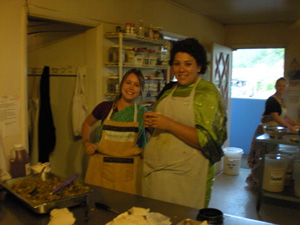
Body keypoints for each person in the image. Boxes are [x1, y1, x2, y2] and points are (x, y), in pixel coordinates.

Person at [142, 38, 227, 209]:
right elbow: (157, 133)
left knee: (185, 217)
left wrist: (169, 124)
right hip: (157, 171)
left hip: (188, 174)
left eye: (188, 64)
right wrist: (151, 123)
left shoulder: (207, 93)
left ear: (199, 66)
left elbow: (207, 142)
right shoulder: (168, 90)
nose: (181, 69)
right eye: (177, 63)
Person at [82, 69, 146, 194]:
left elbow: (146, 142)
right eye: (128, 83)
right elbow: (87, 123)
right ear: (121, 84)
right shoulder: (105, 107)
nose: (131, 88)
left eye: (136, 85)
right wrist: (86, 142)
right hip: (102, 168)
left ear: (140, 91)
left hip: (129, 172)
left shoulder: (142, 114)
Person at [246, 77, 300, 189]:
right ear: (275, 86)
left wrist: (296, 124)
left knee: (270, 154)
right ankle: (256, 180)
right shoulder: (271, 100)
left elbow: (285, 116)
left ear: (287, 87)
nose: (281, 87)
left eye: (284, 85)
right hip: (266, 130)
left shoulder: (282, 101)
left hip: (275, 131)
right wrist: (290, 127)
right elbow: (276, 117)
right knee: (262, 155)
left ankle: (266, 179)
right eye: (279, 85)